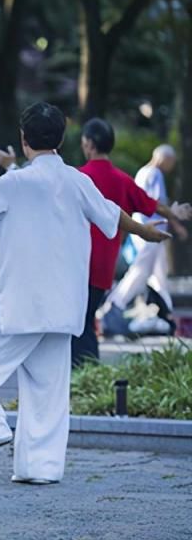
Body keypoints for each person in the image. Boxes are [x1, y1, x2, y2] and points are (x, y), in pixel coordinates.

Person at [0, 102, 171, 485]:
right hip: (65, 304)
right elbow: (113, 215)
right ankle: (41, 468)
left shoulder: (16, 183)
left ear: (23, 139)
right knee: (47, 389)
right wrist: (147, 232)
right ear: (63, 139)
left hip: (22, 301)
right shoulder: (77, 181)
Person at [58, 120, 191, 363]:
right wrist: (174, 213)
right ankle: (87, 375)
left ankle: (83, 374)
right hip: (104, 266)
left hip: (77, 262)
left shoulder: (78, 178)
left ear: (88, 144)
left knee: (78, 323)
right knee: (85, 320)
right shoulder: (122, 179)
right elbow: (150, 204)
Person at [102, 144, 190, 336]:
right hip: (152, 232)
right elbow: (157, 203)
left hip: (145, 230)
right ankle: (115, 305)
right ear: (164, 159)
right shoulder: (154, 174)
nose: (171, 167)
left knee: (158, 275)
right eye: (171, 162)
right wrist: (177, 223)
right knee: (141, 272)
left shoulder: (142, 172)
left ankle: (167, 313)